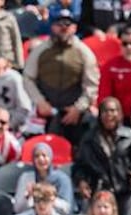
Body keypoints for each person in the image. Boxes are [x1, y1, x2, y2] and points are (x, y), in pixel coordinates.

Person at [23, 10, 99, 145]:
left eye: (68, 24)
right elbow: (28, 78)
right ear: (52, 26)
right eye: (59, 24)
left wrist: (78, 108)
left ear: (75, 28)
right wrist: (40, 102)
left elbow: (91, 85)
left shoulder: (84, 52)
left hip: (75, 112)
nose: (63, 27)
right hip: (47, 111)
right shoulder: (40, 50)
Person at [73, 97, 131, 215]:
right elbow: (80, 165)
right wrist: (82, 181)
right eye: (105, 111)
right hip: (99, 190)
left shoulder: (129, 136)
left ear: (119, 113)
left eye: (113, 110)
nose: (109, 115)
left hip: (124, 191)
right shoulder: (89, 139)